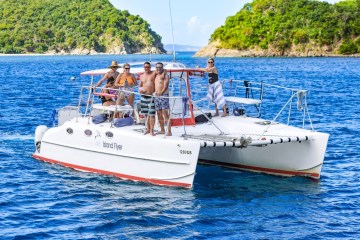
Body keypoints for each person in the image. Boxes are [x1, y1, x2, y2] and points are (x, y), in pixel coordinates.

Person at [154, 62, 172, 136]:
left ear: (162, 68)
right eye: (157, 67)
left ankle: (169, 131)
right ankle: (162, 130)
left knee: (165, 113)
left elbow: (166, 85)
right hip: (156, 96)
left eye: (160, 67)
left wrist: (161, 92)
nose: (158, 68)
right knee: (159, 113)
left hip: (163, 96)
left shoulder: (165, 75)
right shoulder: (156, 75)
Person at [139, 62, 156, 136]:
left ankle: (152, 130)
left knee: (152, 114)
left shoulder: (153, 73)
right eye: (145, 67)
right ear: (143, 67)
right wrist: (140, 90)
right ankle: (148, 129)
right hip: (143, 96)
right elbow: (140, 86)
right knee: (146, 115)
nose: (146, 68)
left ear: (150, 67)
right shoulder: (142, 76)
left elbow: (164, 71)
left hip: (151, 97)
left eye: (148, 67)